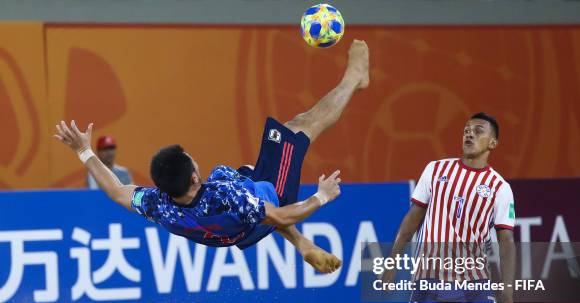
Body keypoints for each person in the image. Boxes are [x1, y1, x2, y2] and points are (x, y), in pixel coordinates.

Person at [53, 39, 370, 274]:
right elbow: (283, 215)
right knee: (302, 125)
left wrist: (83, 151)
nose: (194, 158)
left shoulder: (159, 204)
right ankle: (354, 78)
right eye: (191, 159)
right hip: (269, 197)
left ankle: (302, 244)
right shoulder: (225, 198)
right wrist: (322, 197)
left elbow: (116, 191)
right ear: (193, 176)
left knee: (241, 175)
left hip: (236, 232)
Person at [384, 112, 518, 303]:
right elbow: (412, 220)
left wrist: (507, 291)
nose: (469, 134)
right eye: (466, 130)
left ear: (492, 143)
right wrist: (391, 262)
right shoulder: (435, 170)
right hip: (430, 272)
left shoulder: (499, 187)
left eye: (478, 131)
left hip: (472, 276)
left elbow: (506, 242)